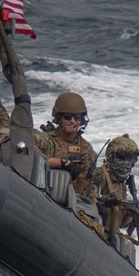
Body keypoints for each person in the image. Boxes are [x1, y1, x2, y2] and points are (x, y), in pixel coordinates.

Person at [35, 91, 105, 237]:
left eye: (77, 117)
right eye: (68, 117)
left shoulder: (86, 149)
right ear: (59, 118)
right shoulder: (46, 140)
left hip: (79, 203)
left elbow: (89, 182)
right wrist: (62, 163)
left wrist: (95, 202)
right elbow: (32, 155)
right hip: (50, 201)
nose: (73, 121)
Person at [93, 135, 139, 240]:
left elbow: (121, 224)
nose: (127, 163)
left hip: (109, 238)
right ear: (112, 156)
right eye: (123, 158)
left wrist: (131, 214)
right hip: (95, 234)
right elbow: (86, 201)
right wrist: (103, 202)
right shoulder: (98, 176)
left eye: (131, 159)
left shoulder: (121, 184)